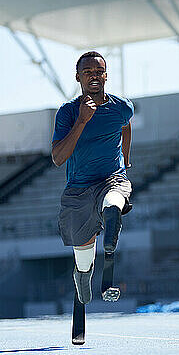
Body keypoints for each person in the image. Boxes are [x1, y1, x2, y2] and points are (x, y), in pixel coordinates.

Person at [51, 51, 134, 306]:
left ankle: (111, 224)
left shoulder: (121, 107)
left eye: (99, 71)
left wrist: (126, 160)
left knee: (113, 201)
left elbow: (126, 124)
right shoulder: (67, 113)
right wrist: (82, 121)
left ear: (106, 75)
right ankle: (83, 276)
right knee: (84, 256)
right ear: (78, 77)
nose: (94, 76)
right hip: (79, 190)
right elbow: (57, 157)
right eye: (88, 72)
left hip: (111, 179)